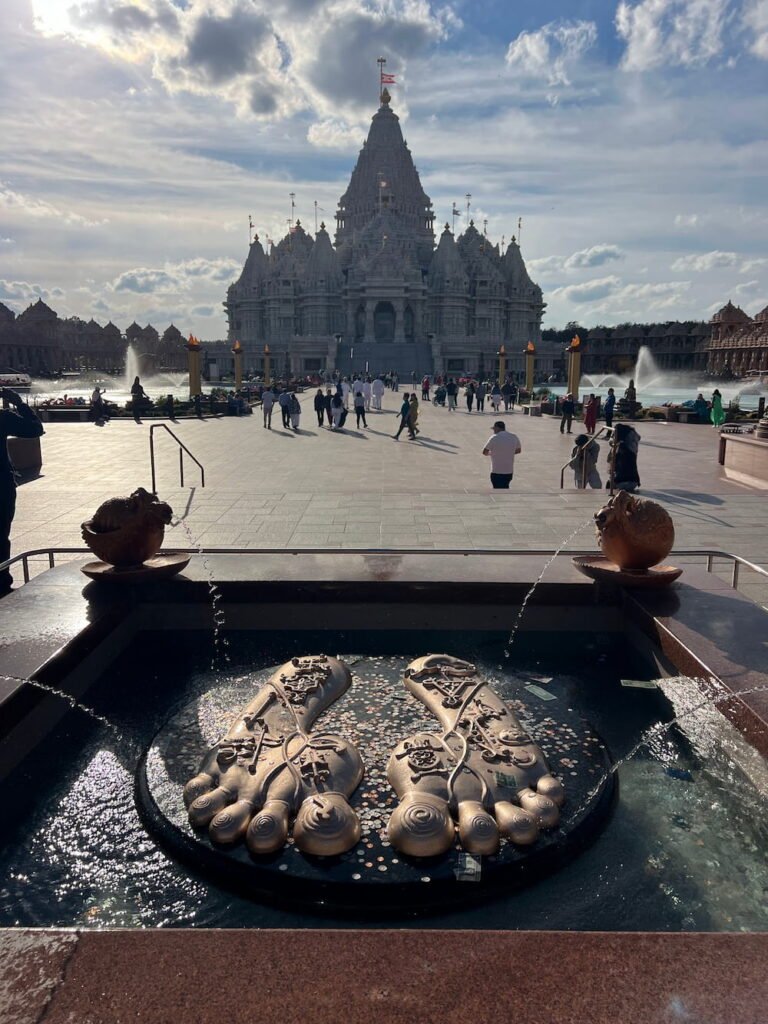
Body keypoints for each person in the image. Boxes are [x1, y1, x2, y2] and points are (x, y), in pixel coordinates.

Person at [0, 390, 44, 596]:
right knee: (0, 535)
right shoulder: (3, 418)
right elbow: (35, 429)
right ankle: (1, 584)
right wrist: (19, 404)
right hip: (1, 484)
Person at [482, 420, 521, 489]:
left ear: (497, 428)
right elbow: (518, 450)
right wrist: (508, 452)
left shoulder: (494, 437)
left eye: (494, 429)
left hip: (496, 470)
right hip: (509, 471)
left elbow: (485, 452)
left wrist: (492, 453)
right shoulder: (513, 436)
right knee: (506, 487)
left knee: (497, 489)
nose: (494, 431)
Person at [608, 423, 641, 491]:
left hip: (622, 483)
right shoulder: (630, 450)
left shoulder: (619, 451)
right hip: (634, 482)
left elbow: (611, 465)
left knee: (610, 483)